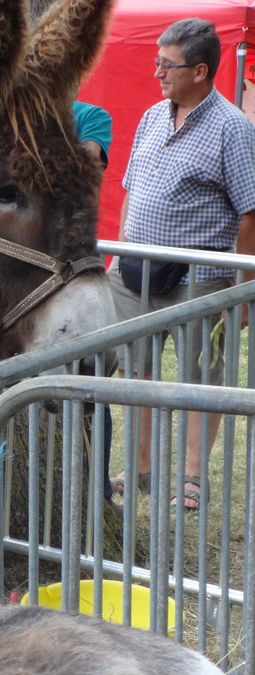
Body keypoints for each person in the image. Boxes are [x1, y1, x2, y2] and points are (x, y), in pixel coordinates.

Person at [108, 18, 255, 511]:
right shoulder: (152, 116)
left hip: (200, 274)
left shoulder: (233, 129)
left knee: (200, 377)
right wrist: (123, 251)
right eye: (155, 62)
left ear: (200, 70)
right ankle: (141, 467)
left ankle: (192, 478)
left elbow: (251, 212)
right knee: (136, 371)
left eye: (166, 65)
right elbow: (131, 190)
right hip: (135, 271)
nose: (156, 73)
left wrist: (242, 284)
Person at [73, 100, 118, 514]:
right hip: (20, 276)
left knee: (95, 381)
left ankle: (100, 490)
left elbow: (89, 162)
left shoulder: (90, 115)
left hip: (76, 264)